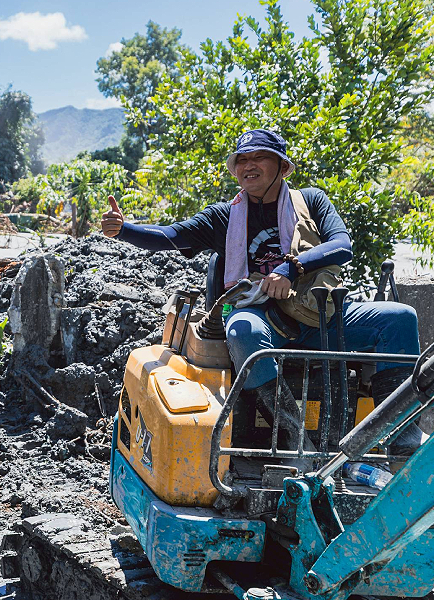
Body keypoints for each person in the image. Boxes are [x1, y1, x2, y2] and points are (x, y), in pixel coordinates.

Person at [101, 128, 421, 453]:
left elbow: (341, 246)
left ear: (282, 167)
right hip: (262, 317)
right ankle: (295, 439)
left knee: (400, 319)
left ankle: (402, 441)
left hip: (317, 311)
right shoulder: (223, 217)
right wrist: (124, 229)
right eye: (242, 160)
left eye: (259, 157)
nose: (248, 165)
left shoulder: (311, 201)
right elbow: (169, 236)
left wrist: (291, 268)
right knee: (242, 331)